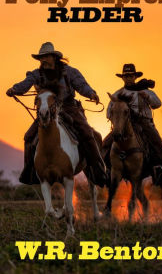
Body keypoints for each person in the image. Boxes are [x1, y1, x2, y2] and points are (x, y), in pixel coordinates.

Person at [6, 42, 107, 187]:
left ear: (54, 57)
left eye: (46, 56)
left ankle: (98, 170)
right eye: (41, 57)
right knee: (29, 137)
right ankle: (30, 172)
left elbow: (81, 85)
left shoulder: (70, 72)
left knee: (87, 133)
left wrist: (91, 93)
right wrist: (14, 89)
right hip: (47, 109)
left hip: (68, 107)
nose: (43, 60)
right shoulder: (37, 74)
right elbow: (25, 84)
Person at [103, 63, 162, 184]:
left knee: (156, 141)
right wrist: (117, 122)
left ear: (135, 77)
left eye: (130, 76)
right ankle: (107, 170)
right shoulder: (117, 94)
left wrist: (147, 97)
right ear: (122, 78)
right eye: (126, 76)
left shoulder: (145, 91)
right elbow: (109, 112)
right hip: (123, 125)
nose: (128, 78)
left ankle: (158, 169)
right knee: (105, 144)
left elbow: (157, 104)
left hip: (144, 123)